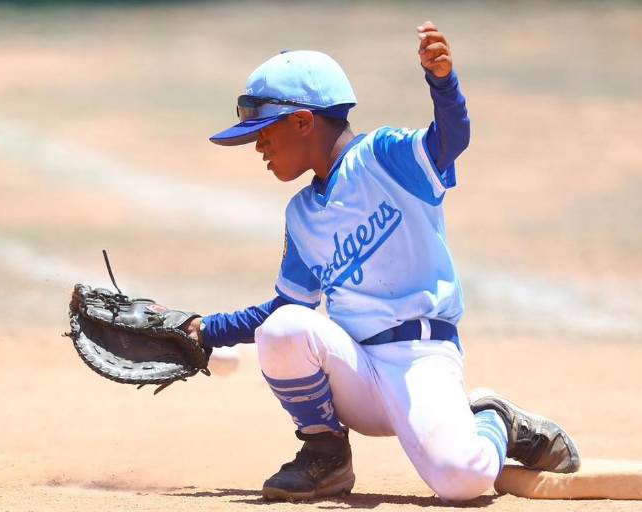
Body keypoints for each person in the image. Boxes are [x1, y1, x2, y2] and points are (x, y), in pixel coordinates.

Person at [186, 21, 580, 502]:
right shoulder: (302, 214)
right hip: (358, 373)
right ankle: (325, 453)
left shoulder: (383, 156)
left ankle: (494, 417)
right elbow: (284, 310)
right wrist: (205, 330)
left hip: (423, 361)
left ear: (303, 121)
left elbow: (450, 140)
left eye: (263, 132)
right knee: (285, 328)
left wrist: (443, 83)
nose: (259, 147)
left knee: (463, 481)